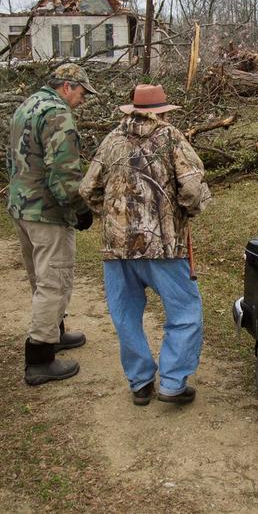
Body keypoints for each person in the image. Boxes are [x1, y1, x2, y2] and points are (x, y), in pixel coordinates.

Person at [79, 84, 211, 406]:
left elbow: (87, 188)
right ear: (162, 111)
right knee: (184, 312)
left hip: (116, 248)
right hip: (163, 247)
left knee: (125, 316)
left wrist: (111, 215)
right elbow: (193, 189)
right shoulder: (171, 138)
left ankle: (140, 383)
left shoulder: (111, 140)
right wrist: (186, 211)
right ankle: (172, 383)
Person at [7, 63, 98, 386]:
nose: (83, 100)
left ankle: (54, 331)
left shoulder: (28, 104)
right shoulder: (58, 114)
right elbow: (63, 172)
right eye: (82, 93)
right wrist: (80, 209)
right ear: (67, 87)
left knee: (41, 277)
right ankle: (40, 358)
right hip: (46, 212)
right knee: (53, 282)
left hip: (21, 206)